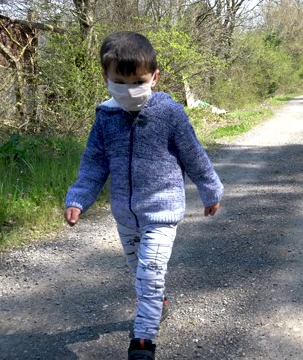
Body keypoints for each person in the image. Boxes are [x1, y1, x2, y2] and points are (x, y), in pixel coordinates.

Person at [64, 31, 223, 360]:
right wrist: (78, 197)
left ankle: (143, 341)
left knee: (149, 272)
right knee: (140, 271)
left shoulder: (170, 113)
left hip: (162, 213)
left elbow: (193, 155)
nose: (130, 90)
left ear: (154, 76)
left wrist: (210, 188)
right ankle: (158, 302)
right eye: (120, 82)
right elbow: (94, 164)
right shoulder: (105, 118)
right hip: (125, 215)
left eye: (138, 81)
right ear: (106, 77)